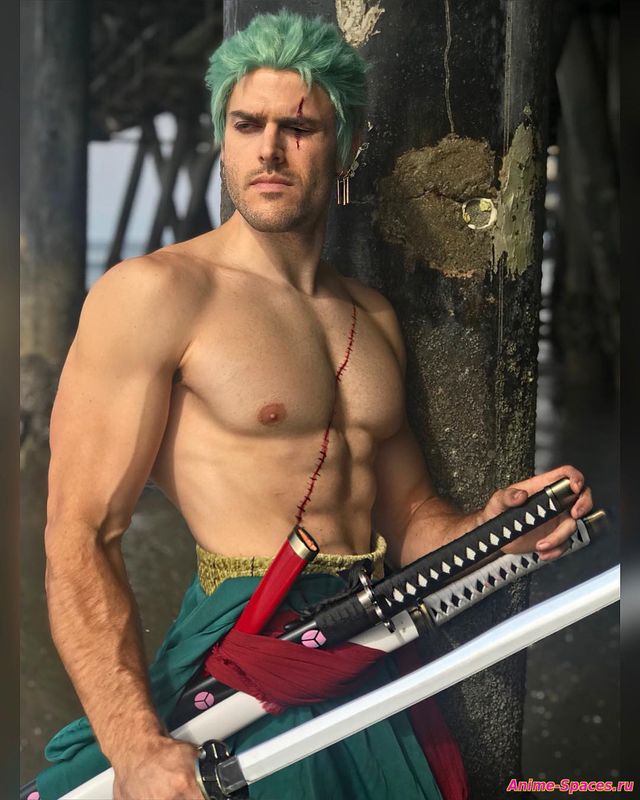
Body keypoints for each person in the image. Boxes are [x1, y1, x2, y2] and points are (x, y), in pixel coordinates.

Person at [37, 10, 593, 800]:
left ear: (348, 148)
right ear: (222, 141)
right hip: (247, 650)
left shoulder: (373, 316)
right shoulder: (156, 295)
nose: (269, 149)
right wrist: (133, 747)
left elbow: (408, 517)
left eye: (298, 127)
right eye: (247, 124)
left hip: (374, 643)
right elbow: (80, 533)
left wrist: (495, 531)